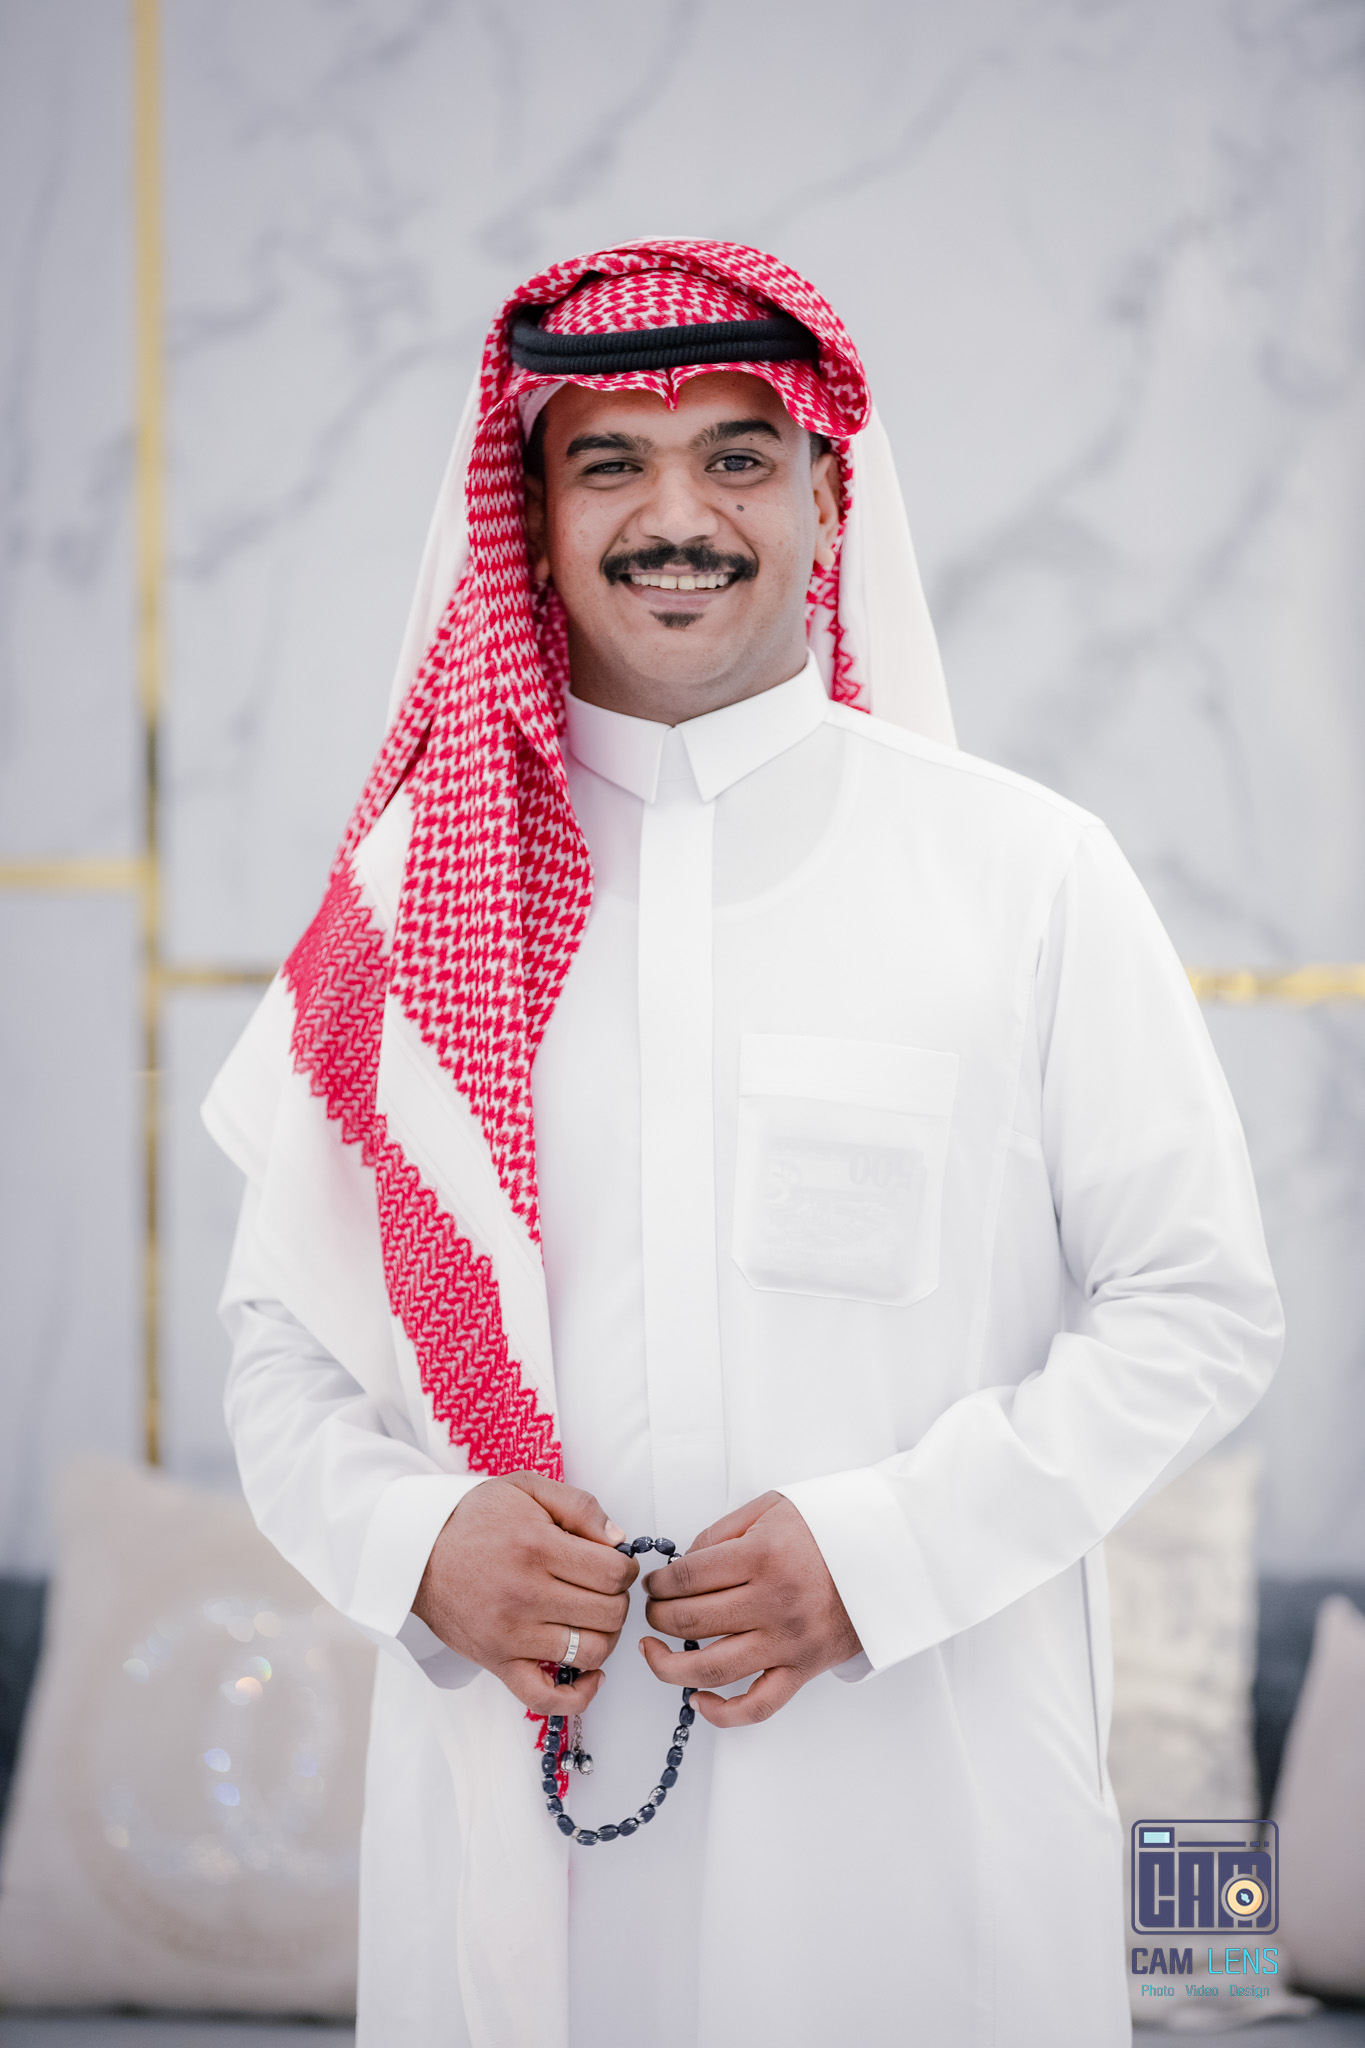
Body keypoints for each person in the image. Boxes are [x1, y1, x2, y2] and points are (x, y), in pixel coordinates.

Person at [204, 240, 1283, 2048]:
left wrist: (883, 1555)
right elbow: (280, 1354)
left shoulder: (1021, 873)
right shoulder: (411, 906)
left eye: (735, 456)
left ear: (828, 500)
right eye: (608, 463)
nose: (674, 517)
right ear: (535, 518)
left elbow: (1195, 1307)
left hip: (921, 1816)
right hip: (519, 1836)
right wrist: (417, 1545)